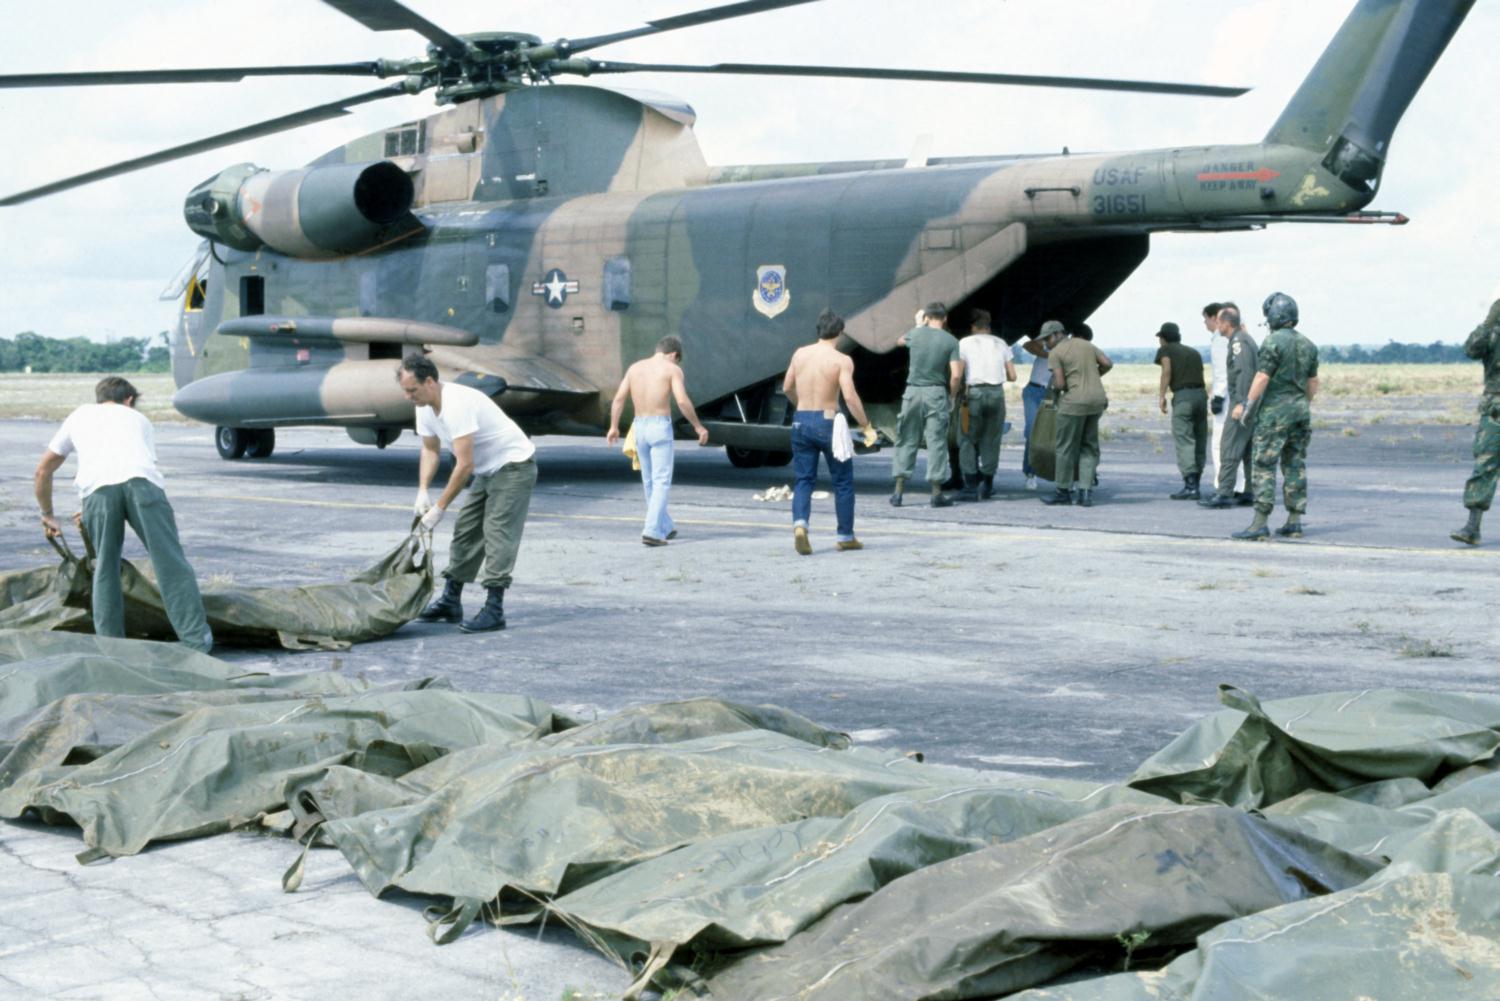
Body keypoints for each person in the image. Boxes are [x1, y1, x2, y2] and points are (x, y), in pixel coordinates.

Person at [32, 376, 212, 652]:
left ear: (99, 398)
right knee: (170, 564)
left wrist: (48, 514)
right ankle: (197, 642)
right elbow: (132, 466)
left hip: (97, 493)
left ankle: (111, 647)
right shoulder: (139, 419)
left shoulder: (79, 415)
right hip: (143, 487)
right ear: (128, 399)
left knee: (104, 567)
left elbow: (43, 470)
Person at [401, 353, 537, 631]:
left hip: (514, 465)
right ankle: (451, 601)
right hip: (488, 470)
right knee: (466, 530)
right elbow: (430, 450)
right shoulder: (423, 406)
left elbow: (464, 465)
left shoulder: (456, 404)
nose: (408, 397)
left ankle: (494, 609)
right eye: (405, 391)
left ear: (430, 382)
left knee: (497, 532)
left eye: (412, 390)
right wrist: (423, 491)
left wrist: (439, 507)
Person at [782, 310, 875, 554]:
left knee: (804, 479)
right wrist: (865, 425)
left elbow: (787, 387)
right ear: (840, 333)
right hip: (828, 421)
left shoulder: (800, 354)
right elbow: (850, 397)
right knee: (842, 481)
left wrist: (801, 406)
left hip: (801, 419)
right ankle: (845, 536)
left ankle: (800, 525)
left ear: (819, 330)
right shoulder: (842, 360)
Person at [606, 335, 710, 546]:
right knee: (661, 481)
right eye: (678, 360)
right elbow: (682, 400)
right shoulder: (672, 370)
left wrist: (614, 426)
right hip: (659, 426)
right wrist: (698, 426)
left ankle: (665, 526)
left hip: (639, 427)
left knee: (649, 481)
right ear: (674, 354)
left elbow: (618, 399)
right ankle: (652, 531)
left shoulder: (635, 368)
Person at [1232, 292, 1319, 540]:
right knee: (1295, 464)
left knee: (1263, 465)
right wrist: (1302, 404)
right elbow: (1313, 382)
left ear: (1274, 316)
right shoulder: (1309, 344)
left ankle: (1260, 522)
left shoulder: (1272, 342)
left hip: (1274, 414)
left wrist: (1248, 405)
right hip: (1300, 412)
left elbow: (1262, 377)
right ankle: (1294, 521)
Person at [890, 302, 963, 508]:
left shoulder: (915, 334)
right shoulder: (951, 341)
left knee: (906, 439)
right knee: (936, 442)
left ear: (926, 317)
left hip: (912, 392)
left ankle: (898, 493)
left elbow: (899, 341)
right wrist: (951, 396)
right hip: (936, 393)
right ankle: (936, 493)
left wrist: (918, 325)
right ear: (945, 318)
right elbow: (956, 375)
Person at [1042, 325, 1113, 507]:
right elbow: (1107, 363)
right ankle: (1085, 493)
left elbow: (1059, 383)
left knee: (1065, 447)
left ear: (1058, 334)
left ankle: (1063, 492)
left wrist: (1057, 390)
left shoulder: (1056, 353)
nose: (1045, 343)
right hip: (1096, 401)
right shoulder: (1086, 345)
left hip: (1073, 403)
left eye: (1047, 338)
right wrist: (1095, 375)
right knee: (1089, 447)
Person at [1451, 297, 1500, 545]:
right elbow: (1471, 349)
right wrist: (1490, 321)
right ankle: (1472, 527)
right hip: (1495, 412)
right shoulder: (1493, 335)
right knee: (1484, 465)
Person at [956, 308, 1017, 500]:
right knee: (991, 439)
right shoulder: (1001, 343)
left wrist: (954, 393)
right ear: (989, 327)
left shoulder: (964, 343)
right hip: (997, 395)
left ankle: (970, 486)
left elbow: (958, 373)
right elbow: (1013, 376)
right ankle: (988, 485)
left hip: (973, 395)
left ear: (973, 327)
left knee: (966, 438)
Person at [1201, 305, 1257, 509]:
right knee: (1247, 450)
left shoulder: (1238, 343)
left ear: (1226, 323)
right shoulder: (1243, 339)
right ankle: (1249, 491)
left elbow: (1243, 374)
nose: (1217, 326)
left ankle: (1224, 492)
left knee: (1229, 446)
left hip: (1240, 402)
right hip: (1249, 402)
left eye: (1219, 322)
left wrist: (1241, 403)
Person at [1154, 321, 1209, 500]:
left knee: (1184, 440)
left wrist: (1162, 395)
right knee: (1200, 440)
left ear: (1163, 338)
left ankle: (1190, 486)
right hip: (1201, 396)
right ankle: (1197, 482)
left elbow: (1166, 370)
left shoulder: (1165, 350)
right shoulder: (1194, 352)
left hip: (1183, 397)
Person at [1019, 320, 1066, 490]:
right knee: (1032, 432)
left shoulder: (1068, 350)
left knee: (1053, 434)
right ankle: (1030, 473)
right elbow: (1027, 345)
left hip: (1053, 393)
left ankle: (1062, 475)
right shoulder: (1047, 346)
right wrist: (1049, 355)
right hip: (1034, 390)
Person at [1203, 302, 1229, 489]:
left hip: (1225, 399)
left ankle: (1222, 487)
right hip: (1232, 397)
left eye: (1206, 318)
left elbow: (1222, 371)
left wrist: (1217, 396)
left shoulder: (1219, 339)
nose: (1205, 323)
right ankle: (1237, 486)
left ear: (1213, 317)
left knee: (1219, 444)